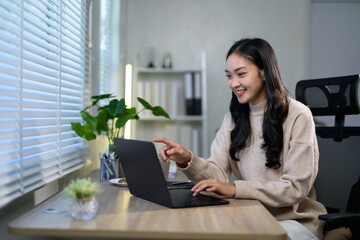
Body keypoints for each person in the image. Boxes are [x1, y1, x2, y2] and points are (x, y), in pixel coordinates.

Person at [154, 38, 327, 240]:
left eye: (241, 74)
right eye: (229, 76)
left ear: (264, 72)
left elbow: (295, 189)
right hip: (251, 216)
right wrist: (186, 159)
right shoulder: (233, 118)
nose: (233, 83)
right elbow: (217, 175)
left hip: (294, 222)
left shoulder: (298, 115)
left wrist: (235, 189)